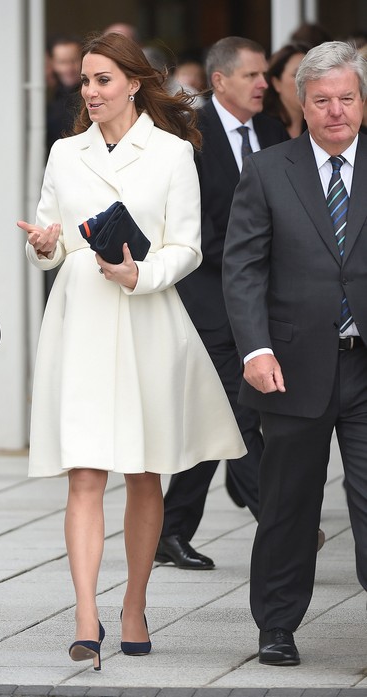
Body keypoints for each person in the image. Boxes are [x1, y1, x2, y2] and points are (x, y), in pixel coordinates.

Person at [18, 31, 245, 670]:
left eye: (103, 80)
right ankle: (85, 616)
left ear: (133, 83)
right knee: (85, 472)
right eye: (85, 81)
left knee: (145, 471)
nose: (90, 92)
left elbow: (188, 246)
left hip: (147, 316)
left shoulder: (172, 152)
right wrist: (43, 245)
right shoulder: (65, 152)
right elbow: (52, 241)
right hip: (82, 321)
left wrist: (140, 274)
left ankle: (135, 607)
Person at [223, 40, 367, 666]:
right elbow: (243, 269)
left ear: (362, 102)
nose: (336, 111)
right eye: (323, 100)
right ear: (301, 105)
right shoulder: (268, 170)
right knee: (288, 504)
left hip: (364, 365)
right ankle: (277, 625)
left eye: (347, 98)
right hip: (290, 367)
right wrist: (255, 349)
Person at [156, 37, 289, 571]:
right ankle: (282, 525)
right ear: (219, 81)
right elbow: (192, 226)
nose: (263, 84)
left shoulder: (273, 131)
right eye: (252, 75)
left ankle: (170, 529)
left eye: (264, 74)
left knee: (223, 417)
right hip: (209, 297)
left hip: (263, 298)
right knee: (237, 413)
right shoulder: (190, 136)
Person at [263, 42, 310, 138]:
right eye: (296, 75)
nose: (305, 81)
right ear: (276, 83)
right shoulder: (262, 128)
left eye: (310, 74)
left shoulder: (316, 125)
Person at [46, 35, 82, 152]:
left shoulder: (93, 95)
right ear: (53, 63)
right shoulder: (47, 96)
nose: (69, 68)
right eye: (62, 62)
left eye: (74, 60)